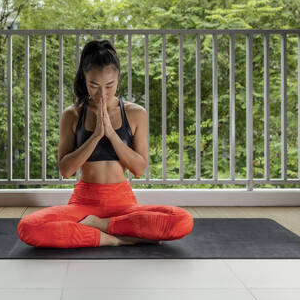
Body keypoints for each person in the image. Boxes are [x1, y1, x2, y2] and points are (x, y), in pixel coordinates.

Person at [17, 39, 194, 248]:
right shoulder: (72, 114)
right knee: (29, 227)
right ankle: (115, 239)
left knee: (182, 220)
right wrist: (95, 136)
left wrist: (111, 134)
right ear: (84, 80)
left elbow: (138, 168)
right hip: (84, 203)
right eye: (94, 85)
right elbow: (66, 170)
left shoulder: (136, 113)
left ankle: (101, 226)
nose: (102, 93)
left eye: (109, 86)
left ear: (118, 78)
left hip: (123, 203)